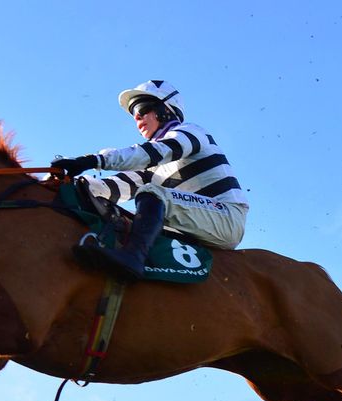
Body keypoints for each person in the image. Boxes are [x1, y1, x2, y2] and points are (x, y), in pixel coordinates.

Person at [51, 80, 248, 281]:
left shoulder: (191, 132)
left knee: (151, 193)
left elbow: (153, 152)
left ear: (166, 111)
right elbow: (114, 187)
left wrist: (94, 160)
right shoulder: (152, 166)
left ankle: (132, 258)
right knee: (129, 216)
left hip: (227, 218)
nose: (137, 117)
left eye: (142, 109)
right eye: (134, 114)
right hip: (191, 224)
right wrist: (71, 183)